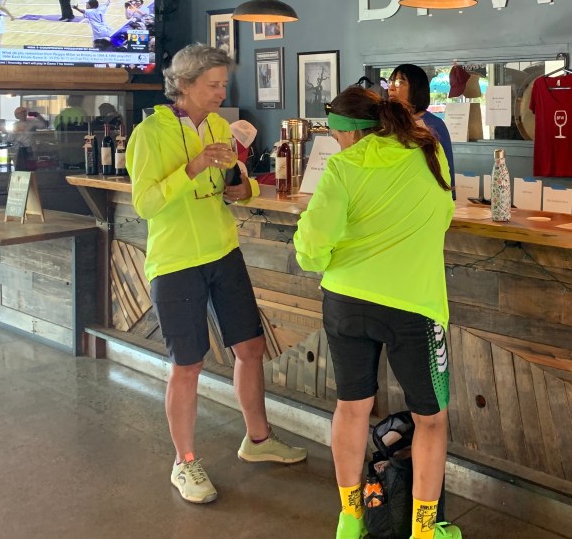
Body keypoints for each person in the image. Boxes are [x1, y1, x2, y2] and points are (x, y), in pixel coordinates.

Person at [127, 44, 307, 505]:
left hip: (224, 252)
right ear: (184, 85)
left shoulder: (220, 126)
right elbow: (145, 204)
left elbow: (237, 191)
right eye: (213, 85)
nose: (221, 93)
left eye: (224, 84)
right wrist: (194, 166)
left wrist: (240, 183)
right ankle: (184, 462)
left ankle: (258, 440)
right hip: (176, 261)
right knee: (188, 365)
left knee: (251, 348)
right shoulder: (149, 134)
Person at [293, 87, 460, 539]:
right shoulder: (429, 152)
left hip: (345, 299)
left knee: (352, 408)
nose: (338, 145)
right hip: (415, 305)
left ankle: (351, 519)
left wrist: (328, 250)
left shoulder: (343, 168)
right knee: (430, 419)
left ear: (349, 133)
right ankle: (424, 531)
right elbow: (444, 214)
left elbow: (310, 251)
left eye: (336, 137)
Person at [388, 64, 456, 196]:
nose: (391, 88)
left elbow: (447, 168)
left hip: (426, 196)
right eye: (390, 82)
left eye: (399, 82)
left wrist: (450, 197)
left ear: (416, 88)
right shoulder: (388, 123)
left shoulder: (434, 125)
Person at [12, 106, 47, 170]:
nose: (23, 113)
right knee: (20, 169)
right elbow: (11, 138)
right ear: (16, 115)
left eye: (24, 112)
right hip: (19, 149)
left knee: (31, 168)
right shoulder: (15, 125)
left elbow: (44, 125)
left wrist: (38, 116)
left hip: (31, 149)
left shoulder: (32, 122)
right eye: (20, 112)